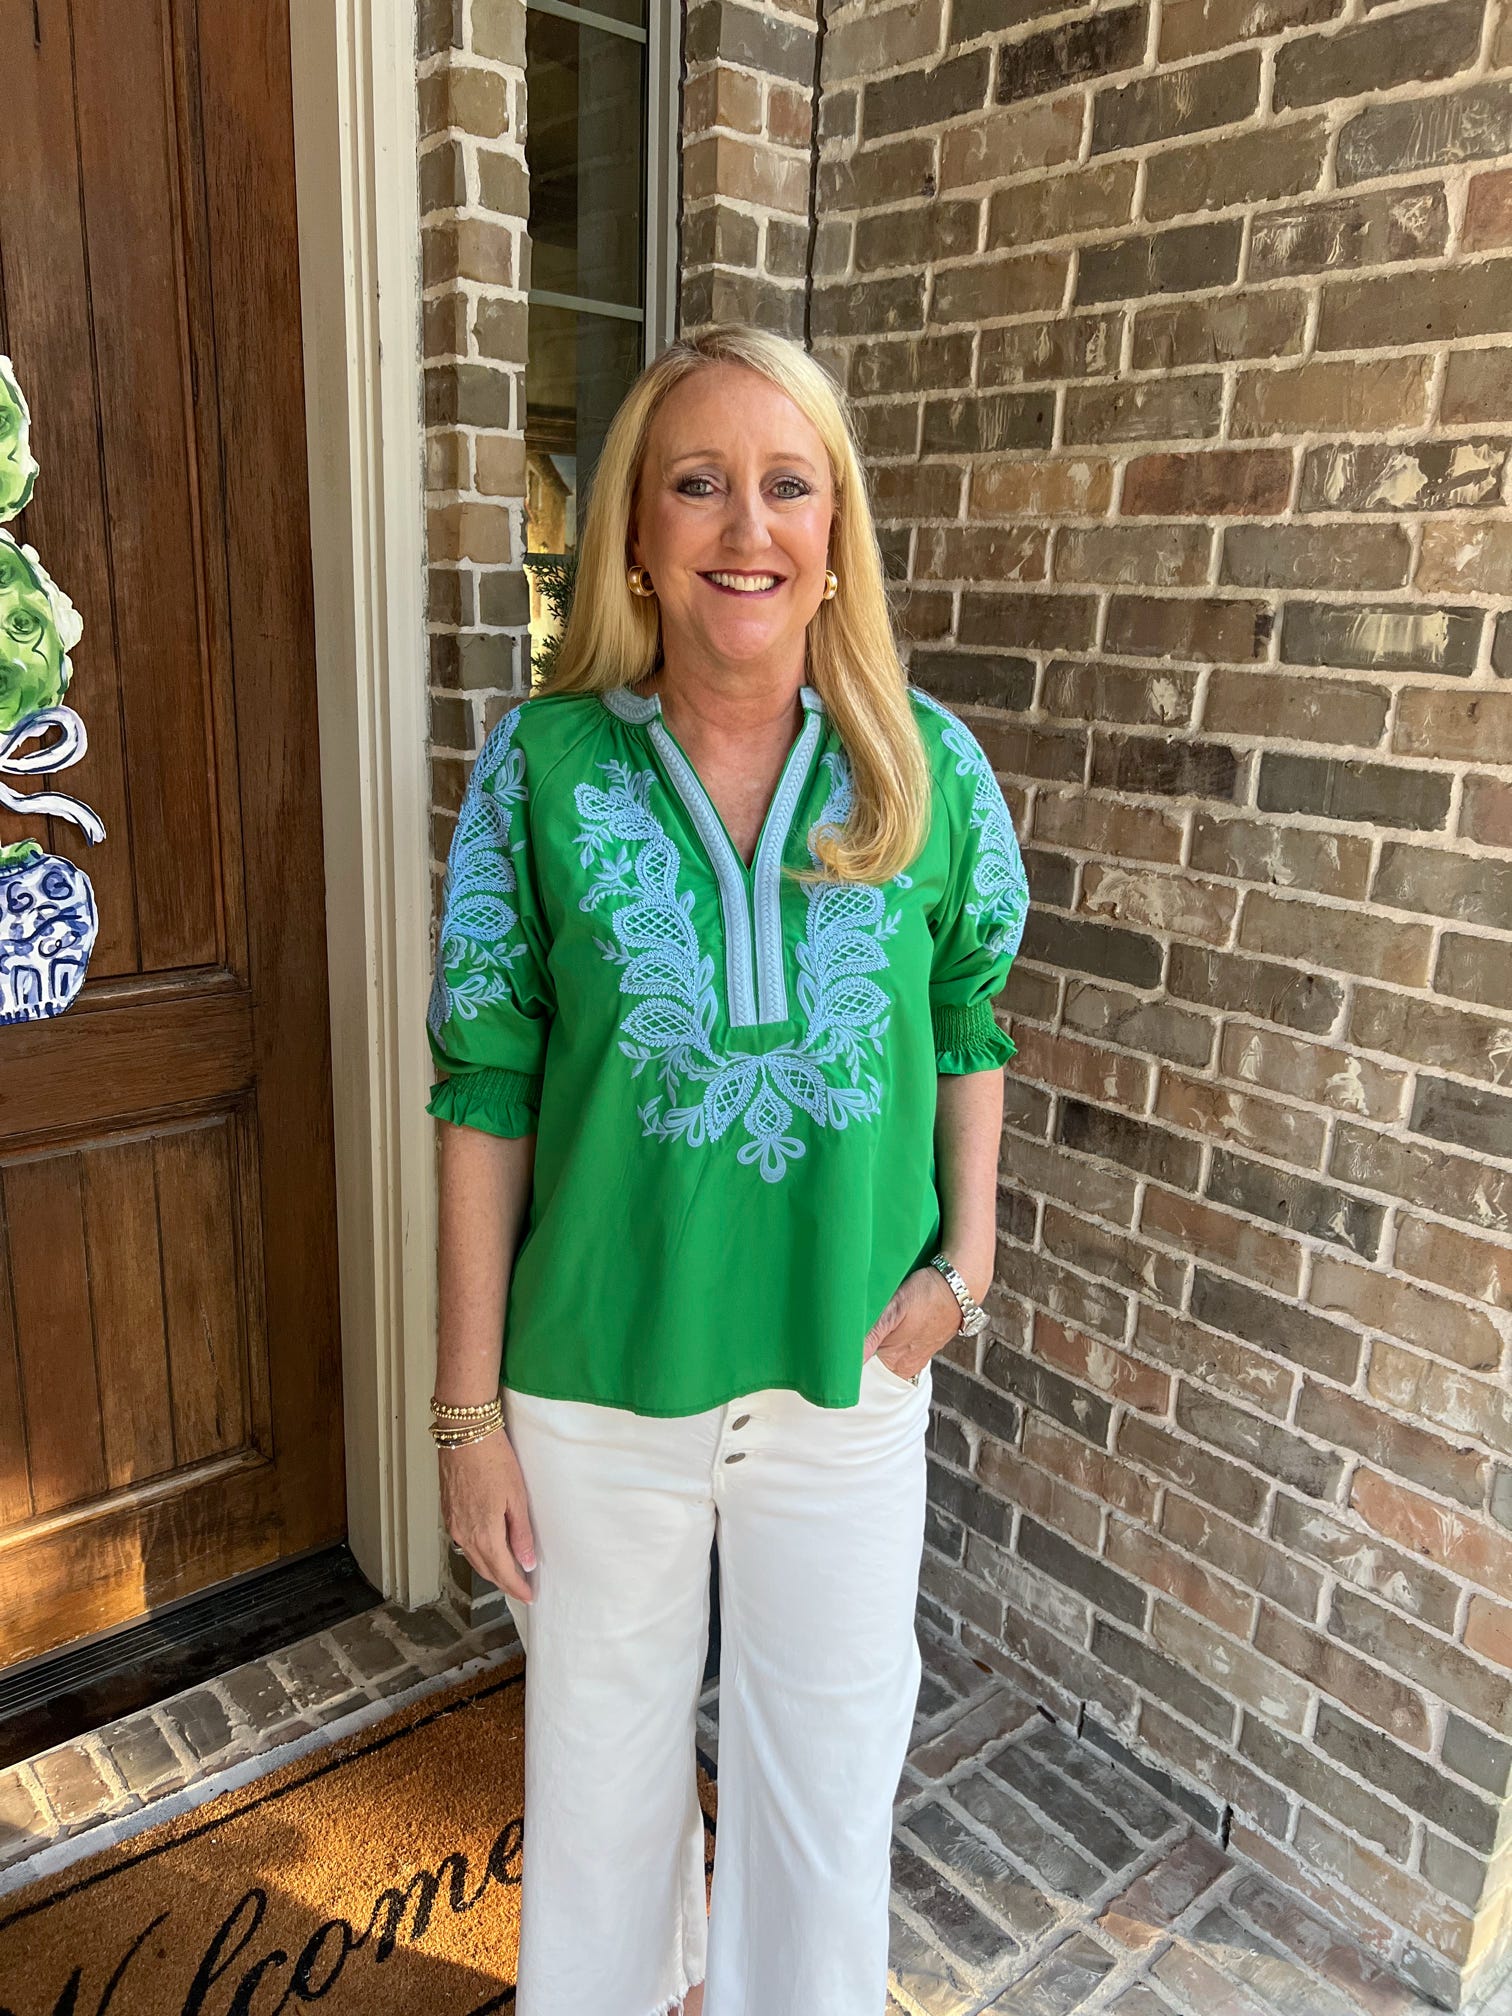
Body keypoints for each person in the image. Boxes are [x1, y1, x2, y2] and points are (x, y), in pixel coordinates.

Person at [426, 322, 1029, 2016]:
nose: (743, 526)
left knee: (828, 1782)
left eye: (786, 486)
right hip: (596, 1385)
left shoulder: (927, 768)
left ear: (835, 536)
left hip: (848, 1376)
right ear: (636, 531)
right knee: (603, 1789)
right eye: (697, 485)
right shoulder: (540, 771)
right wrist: (465, 1416)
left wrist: (962, 1264)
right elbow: (485, 1084)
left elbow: (972, 1015)